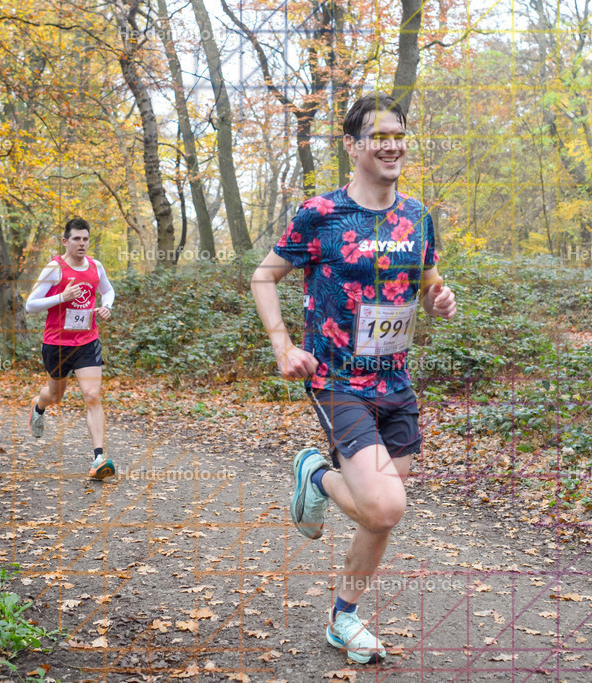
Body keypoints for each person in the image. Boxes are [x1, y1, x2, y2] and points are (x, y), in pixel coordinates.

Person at [251, 93, 457, 664]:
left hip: (395, 381)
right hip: (338, 380)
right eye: (379, 136)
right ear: (353, 145)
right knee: (386, 505)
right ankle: (315, 475)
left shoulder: (416, 215)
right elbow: (263, 277)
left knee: (377, 516)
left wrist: (440, 297)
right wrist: (283, 344)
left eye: (399, 135)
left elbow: (427, 279)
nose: (392, 145)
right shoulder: (321, 214)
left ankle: (344, 617)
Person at [25, 217, 116, 480]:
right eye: (76, 239)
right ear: (65, 241)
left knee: (92, 395)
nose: (82, 243)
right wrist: (61, 297)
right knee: (56, 396)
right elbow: (31, 305)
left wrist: (107, 307)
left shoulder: (96, 266)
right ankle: (39, 405)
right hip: (57, 344)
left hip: (87, 341)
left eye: (85, 239)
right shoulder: (54, 268)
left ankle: (98, 458)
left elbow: (108, 291)